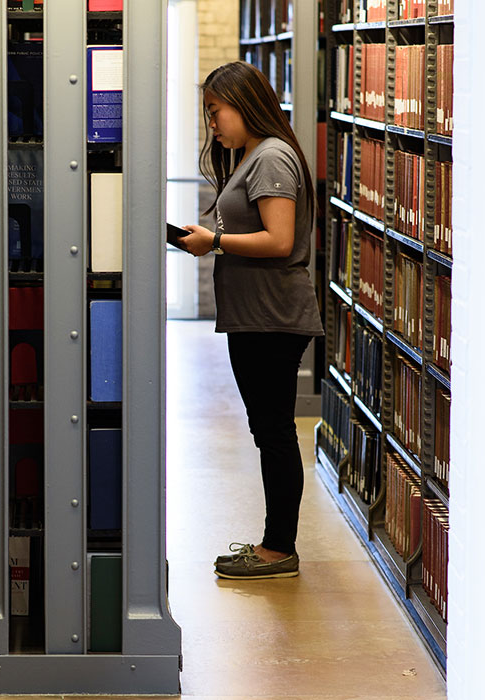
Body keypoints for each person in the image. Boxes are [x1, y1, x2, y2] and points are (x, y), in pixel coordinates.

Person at [178, 61, 324, 580]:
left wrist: (213, 241)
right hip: (255, 316)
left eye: (216, 112)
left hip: (273, 317)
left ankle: (278, 548)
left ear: (245, 104)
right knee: (269, 431)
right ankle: (274, 543)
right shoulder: (251, 157)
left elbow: (279, 240)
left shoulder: (271, 158)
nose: (212, 124)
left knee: (275, 433)